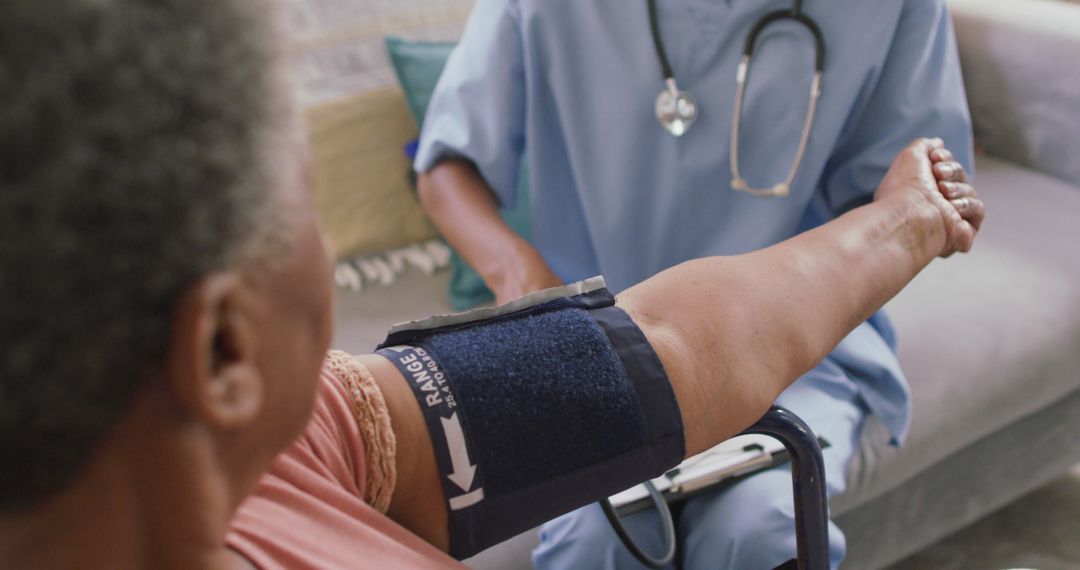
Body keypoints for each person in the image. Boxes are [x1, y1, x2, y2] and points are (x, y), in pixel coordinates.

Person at [0, 1, 984, 569]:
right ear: (223, 348)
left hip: (797, 347)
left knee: (751, 522)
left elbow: (658, 355)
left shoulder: (306, 437)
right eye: (302, 192)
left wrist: (896, 223)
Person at [415, 0, 974, 567]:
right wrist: (529, 285)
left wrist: (920, 215)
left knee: (762, 527)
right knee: (594, 543)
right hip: (599, 344)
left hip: (796, 341)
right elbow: (447, 165)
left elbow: (895, 202)